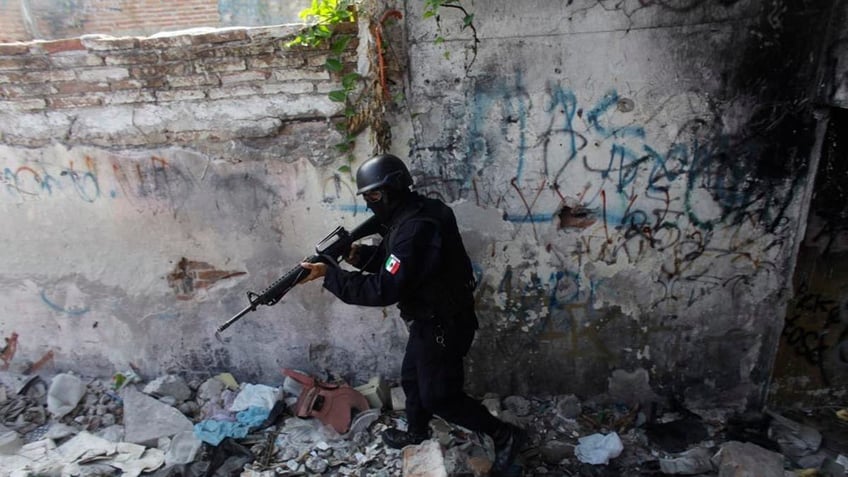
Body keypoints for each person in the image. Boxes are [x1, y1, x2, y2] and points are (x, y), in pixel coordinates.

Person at [299, 153, 527, 475]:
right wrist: (358, 254)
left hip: (443, 325)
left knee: (440, 397)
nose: (371, 204)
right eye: (367, 198)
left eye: (375, 195)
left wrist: (330, 275)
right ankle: (418, 433)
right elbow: (404, 266)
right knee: (412, 380)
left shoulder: (415, 227)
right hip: (429, 320)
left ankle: (506, 435)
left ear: (394, 188)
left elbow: (385, 288)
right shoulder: (415, 214)